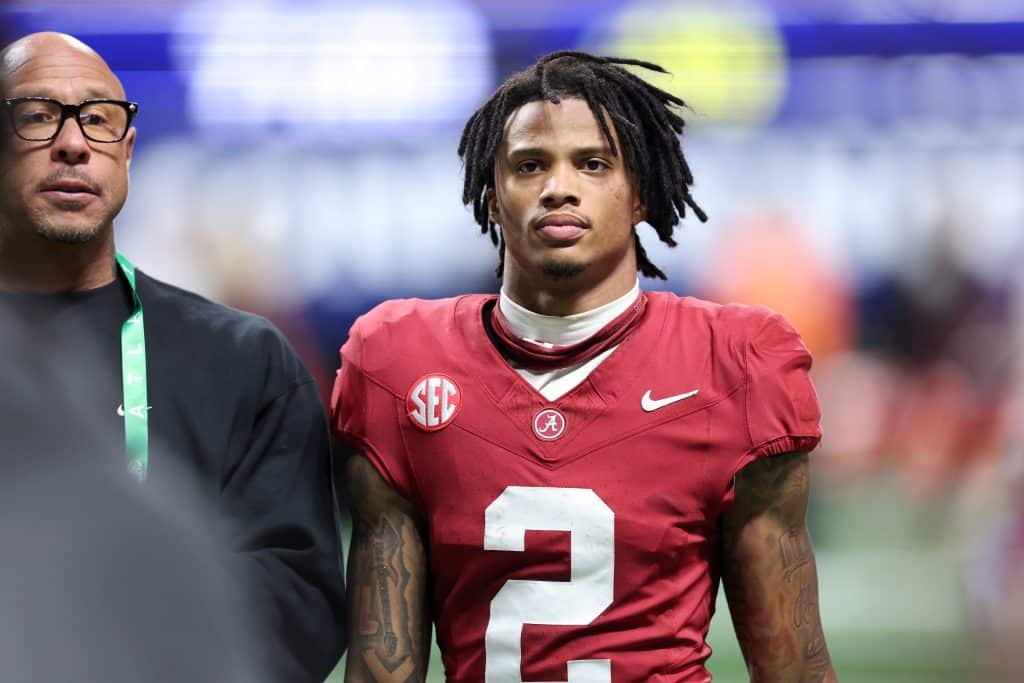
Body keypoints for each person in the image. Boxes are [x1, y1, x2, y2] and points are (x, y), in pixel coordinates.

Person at [333, 51, 836, 682]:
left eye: (593, 164)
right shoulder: (398, 362)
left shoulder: (732, 364)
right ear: (492, 199)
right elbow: (382, 668)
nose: (558, 187)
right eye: (529, 165)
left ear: (640, 197)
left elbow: (794, 667)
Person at [0, 32, 346, 681]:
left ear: (127, 152)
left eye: (99, 121)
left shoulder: (245, 360)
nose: (73, 143)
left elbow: (299, 600)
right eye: (38, 116)